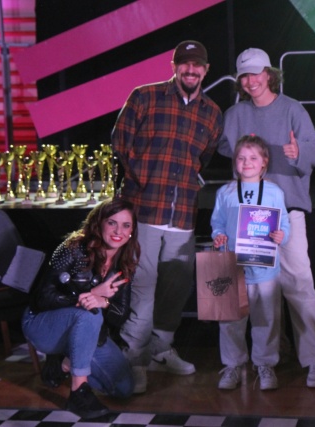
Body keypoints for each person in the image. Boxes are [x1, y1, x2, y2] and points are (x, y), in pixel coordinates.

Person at [112, 40, 224, 393]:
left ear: (206, 70)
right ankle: (134, 360)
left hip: (182, 216)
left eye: (197, 65)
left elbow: (203, 158)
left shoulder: (212, 112)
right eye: (185, 64)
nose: (191, 70)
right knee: (143, 289)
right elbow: (120, 143)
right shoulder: (144, 97)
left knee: (176, 287)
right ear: (174, 66)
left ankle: (160, 350)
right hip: (145, 210)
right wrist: (142, 182)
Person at [217, 48, 315, 388]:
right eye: (244, 76)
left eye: (256, 73)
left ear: (269, 74)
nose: (251, 81)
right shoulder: (234, 115)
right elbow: (223, 148)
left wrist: (298, 153)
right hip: (247, 218)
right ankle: (254, 362)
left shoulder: (293, 109)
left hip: (287, 213)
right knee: (247, 293)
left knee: (298, 286)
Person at [22, 198, 140, 419]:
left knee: (124, 388)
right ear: (99, 223)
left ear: (132, 230)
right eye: (112, 223)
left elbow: (120, 315)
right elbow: (41, 298)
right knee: (89, 315)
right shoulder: (72, 248)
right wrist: (89, 296)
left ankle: (63, 364)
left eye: (126, 225)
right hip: (42, 323)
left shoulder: (124, 260)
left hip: (87, 333)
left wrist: (104, 302)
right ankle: (79, 392)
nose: (119, 231)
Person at [211, 135, 290, 390]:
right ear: (234, 162)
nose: (247, 163)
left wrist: (282, 235)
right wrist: (218, 236)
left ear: (264, 162)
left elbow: (284, 224)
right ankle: (233, 364)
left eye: (253, 158)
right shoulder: (225, 192)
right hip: (233, 268)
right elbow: (217, 223)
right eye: (241, 158)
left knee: (266, 319)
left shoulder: (274, 192)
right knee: (231, 321)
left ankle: (265, 365)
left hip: (265, 270)